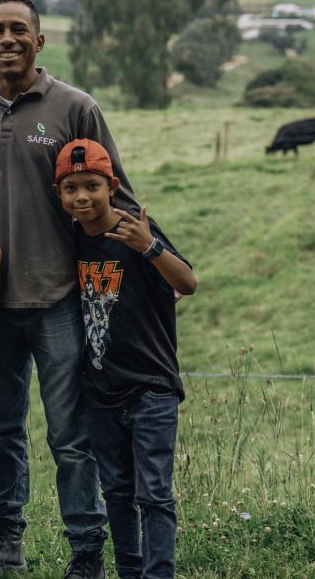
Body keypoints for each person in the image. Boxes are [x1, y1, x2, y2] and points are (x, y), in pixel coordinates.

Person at [0, 0, 141, 578]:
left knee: (69, 435)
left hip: (61, 300)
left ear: (40, 40)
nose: (6, 40)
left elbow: (120, 198)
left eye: (18, 30)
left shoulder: (75, 108)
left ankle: (86, 550)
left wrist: (146, 273)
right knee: (1, 429)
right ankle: (8, 543)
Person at [53, 138, 196, 579]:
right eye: (71, 188)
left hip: (151, 388)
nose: (82, 197)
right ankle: (129, 571)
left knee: (154, 494)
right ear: (59, 194)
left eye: (92, 185)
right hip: (100, 391)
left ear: (111, 185)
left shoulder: (136, 231)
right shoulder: (72, 238)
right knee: (116, 491)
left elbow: (188, 283)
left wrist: (149, 246)